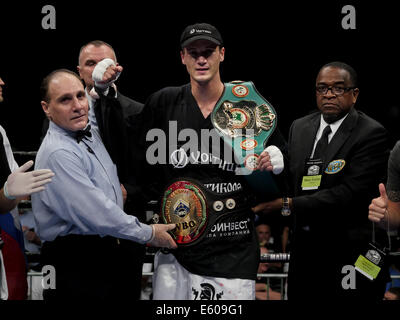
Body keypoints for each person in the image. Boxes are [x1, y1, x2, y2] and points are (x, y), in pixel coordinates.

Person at [137, 23, 287, 300]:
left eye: (208, 51)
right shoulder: (163, 102)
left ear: (222, 54)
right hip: (175, 247)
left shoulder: (246, 105)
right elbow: (141, 168)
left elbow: (283, 172)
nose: (201, 59)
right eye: (193, 53)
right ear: (182, 57)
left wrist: (278, 162)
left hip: (231, 249)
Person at [31, 69, 176, 300]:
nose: (78, 106)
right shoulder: (58, 153)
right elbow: (98, 214)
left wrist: (99, 88)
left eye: (79, 95)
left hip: (102, 250)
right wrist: (148, 233)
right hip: (74, 258)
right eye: (65, 100)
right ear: (46, 108)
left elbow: (92, 106)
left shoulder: (83, 126)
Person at [253, 62, 391, 300]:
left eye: (338, 88)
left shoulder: (371, 133)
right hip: (305, 252)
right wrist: (273, 168)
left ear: (354, 94)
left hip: (348, 252)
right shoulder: (300, 127)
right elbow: (294, 183)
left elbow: (348, 194)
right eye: (322, 88)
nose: (328, 94)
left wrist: (286, 205)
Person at [77, 40, 148, 299]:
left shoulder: (139, 113)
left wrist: (128, 190)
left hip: (126, 226)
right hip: (80, 230)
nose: (98, 69)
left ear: (117, 68)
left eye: (104, 63)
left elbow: (150, 173)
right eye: (90, 63)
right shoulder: (62, 114)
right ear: (79, 71)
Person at [0, 76, 54, 300]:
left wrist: (12, 193)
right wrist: (10, 193)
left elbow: (10, 195)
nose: (3, 82)